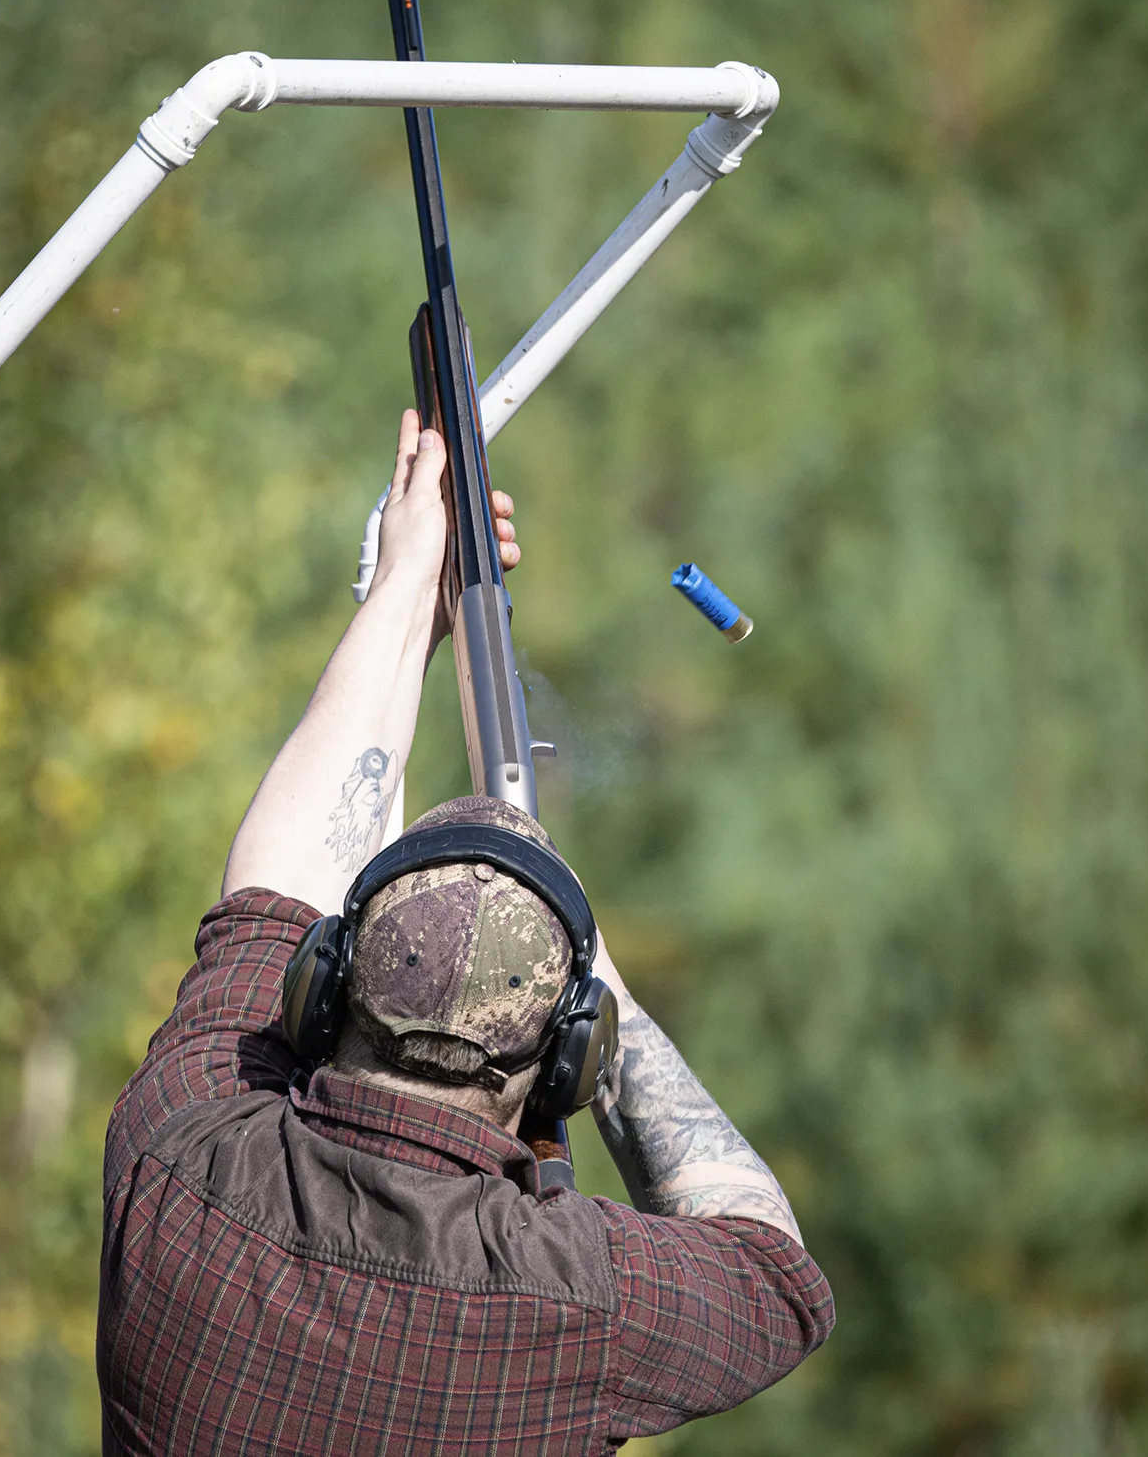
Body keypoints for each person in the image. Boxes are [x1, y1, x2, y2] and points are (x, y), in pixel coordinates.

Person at [98, 412, 834, 1455]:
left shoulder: (180, 1152)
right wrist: (599, 982)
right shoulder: (580, 1303)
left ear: (327, 987)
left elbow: (276, 888)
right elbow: (773, 1272)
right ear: (572, 1057)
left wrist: (400, 589)